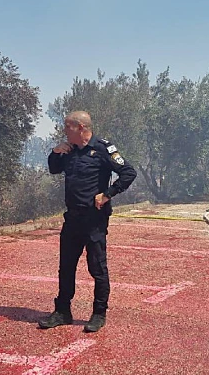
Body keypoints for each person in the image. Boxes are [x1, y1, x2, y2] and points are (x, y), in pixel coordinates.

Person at [39, 111, 137, 333]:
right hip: (72, 218)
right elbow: (54, 168)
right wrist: (55, 152)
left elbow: (128, 173)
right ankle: (62, 312)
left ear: (81, 127)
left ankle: (99, 313)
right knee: (66, 268)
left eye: (67, 126)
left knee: (97, 268)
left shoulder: (103, 149)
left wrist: (108, 194)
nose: (64, 130)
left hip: (94, 220)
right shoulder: (69, 151)